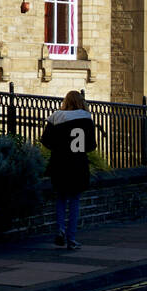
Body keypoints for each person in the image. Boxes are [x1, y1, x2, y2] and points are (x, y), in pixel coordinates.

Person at [40, 90, 97, 250]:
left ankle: (60, 229)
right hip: (78, 164)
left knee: (60, 198)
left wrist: (59, 148)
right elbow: (91, 146)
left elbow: (45, 141)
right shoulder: (86, 119)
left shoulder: (56, 118)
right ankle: (72, 238)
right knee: (74, 200)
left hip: (59, 163)